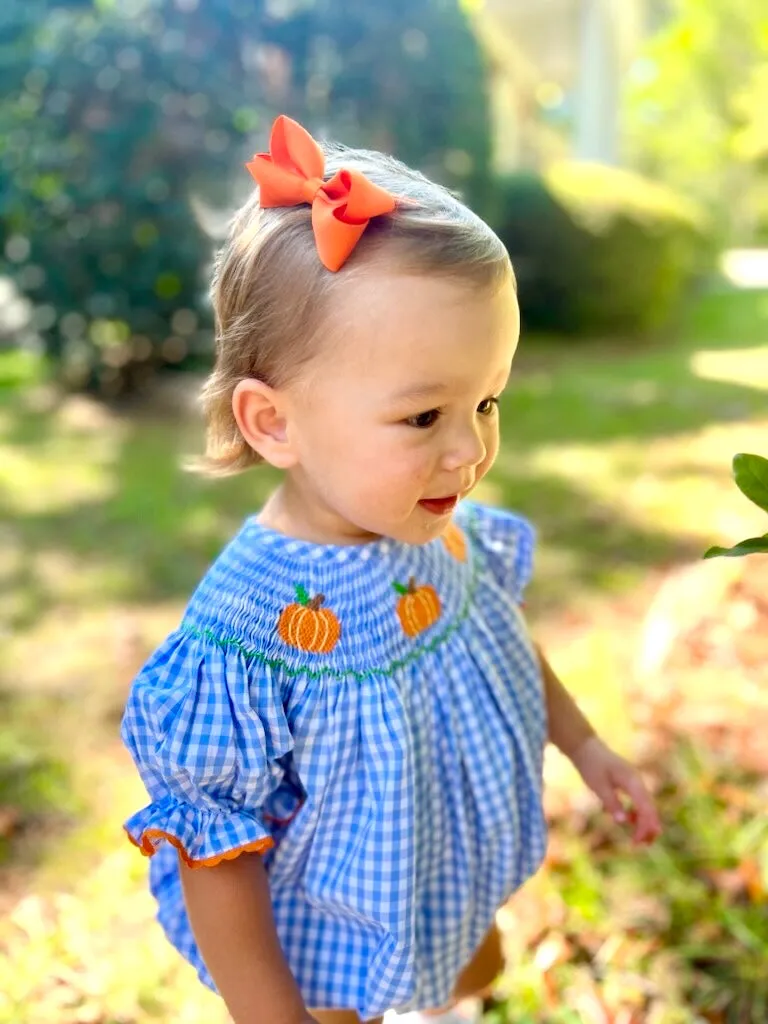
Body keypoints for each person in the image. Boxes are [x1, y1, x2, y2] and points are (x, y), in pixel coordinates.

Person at [121, 115, 661, 1024]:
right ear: (274, 422)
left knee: (466, 968)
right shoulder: (246, 638)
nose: (471, 451)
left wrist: (585, 742)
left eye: (486, 400)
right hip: (326, 941)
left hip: (434, 870)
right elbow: (218, 859)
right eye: (423, 418)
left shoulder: (435, 530)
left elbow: (493, 629)